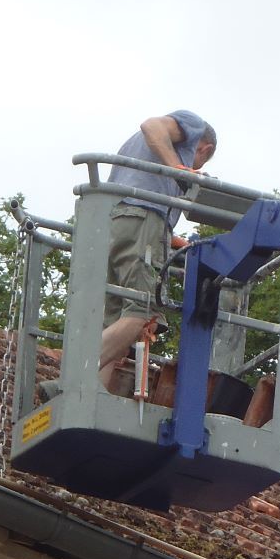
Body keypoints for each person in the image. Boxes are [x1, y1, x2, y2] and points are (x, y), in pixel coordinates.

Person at [99, 112, 217, 389]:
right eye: (198, 163)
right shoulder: (192, 125)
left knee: (115, 322)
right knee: (142, 312)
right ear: (204, 149)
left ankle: (88, 394)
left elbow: (138, 218)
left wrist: (176, 242)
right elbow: (151, 124)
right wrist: (180, 169)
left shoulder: (137, 153)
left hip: (115, 224)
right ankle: (72, 374)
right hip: (142, 220)